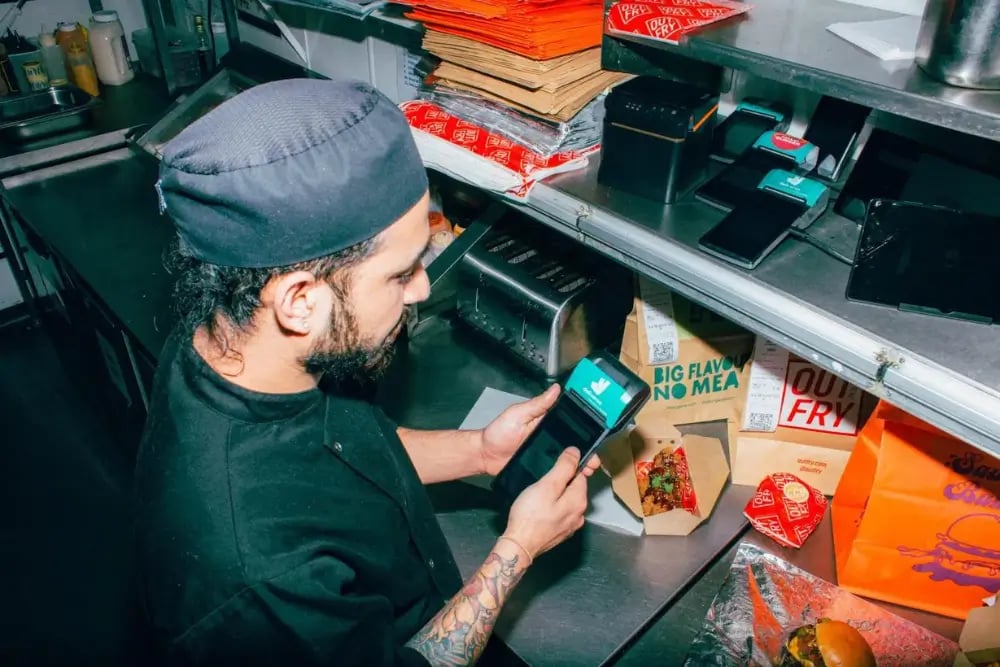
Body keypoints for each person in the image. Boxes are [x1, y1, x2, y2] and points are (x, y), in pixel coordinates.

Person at [134, 78, 599, 666]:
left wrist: (480, 452)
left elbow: (333, 449)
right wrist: (518, 548)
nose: (423, 288)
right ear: (299, 300)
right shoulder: (256, 576)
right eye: (401, 274)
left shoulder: (229, 344)